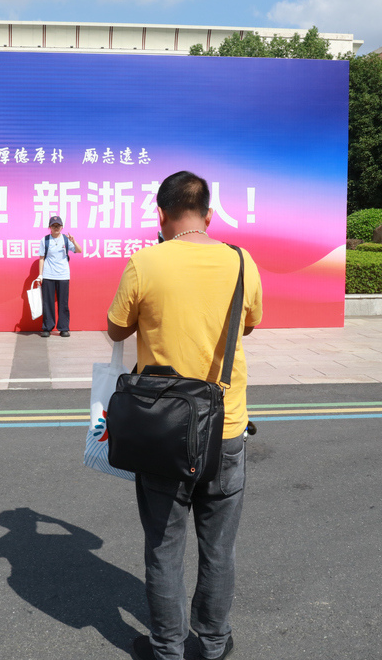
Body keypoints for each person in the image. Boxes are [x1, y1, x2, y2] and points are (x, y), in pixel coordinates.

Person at [106, 171, 263, 660]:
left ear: (161, 214)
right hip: (226, 429)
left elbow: (116, 329)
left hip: (164, 431)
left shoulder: (144, 263)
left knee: (164, 545)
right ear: (209, 214)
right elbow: (250, 324)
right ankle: (214, 643)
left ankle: (167, 649)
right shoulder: (241, 261)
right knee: (218, 548)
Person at [37, 215, 80, 337]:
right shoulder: (45, 240)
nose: (56, 228)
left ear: (62, 227)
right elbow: (41, 258)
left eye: (58, 225)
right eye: (53, 225)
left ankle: (64, 328)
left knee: (63, 303)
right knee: (48, 303)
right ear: (49, 227)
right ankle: (47, 327)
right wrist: (40, 275)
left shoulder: (66, 240)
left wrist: (73, 241)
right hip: (48, 275)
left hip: (63, 275)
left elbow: (79, 250)